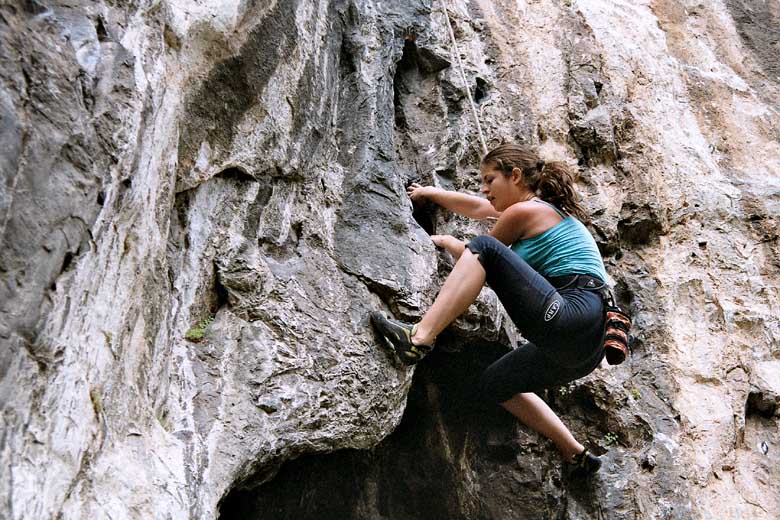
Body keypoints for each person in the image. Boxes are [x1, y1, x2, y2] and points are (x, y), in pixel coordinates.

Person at [370, 143, 608, 474]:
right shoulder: (541, 214)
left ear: (515, 176)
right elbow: (479, 208)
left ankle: (419, 337)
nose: (484, 188)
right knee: (496, 383)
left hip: (573, 311)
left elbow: (482, 255)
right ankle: (574, 452)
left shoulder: (527, 212)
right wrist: (430, 192)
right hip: (585, 349)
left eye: (489, 179)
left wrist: (448, 242)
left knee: (484, 246)